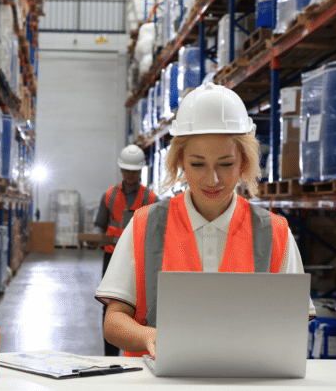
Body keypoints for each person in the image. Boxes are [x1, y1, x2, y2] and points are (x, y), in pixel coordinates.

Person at [94, 83, 315, 358]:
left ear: (244, 162)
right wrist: (149, 336)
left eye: (226, 164)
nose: (213, 180)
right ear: (180, 162)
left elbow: (295, 321)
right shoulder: (144, 226)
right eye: (198, 164)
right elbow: (114, 321)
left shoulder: (274, 233)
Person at [94, 144, 158, 356]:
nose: (131, 175)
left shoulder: (151, 199)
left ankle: (136, 351)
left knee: (138, 306)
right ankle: (110, 357)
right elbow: (100, 225)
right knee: (112, 307)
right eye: (127, 170)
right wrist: (98, 238)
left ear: (140, 171)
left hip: (140, 260)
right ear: (121, 170)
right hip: (111, 256)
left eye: (135, 171)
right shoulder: (110, 195)